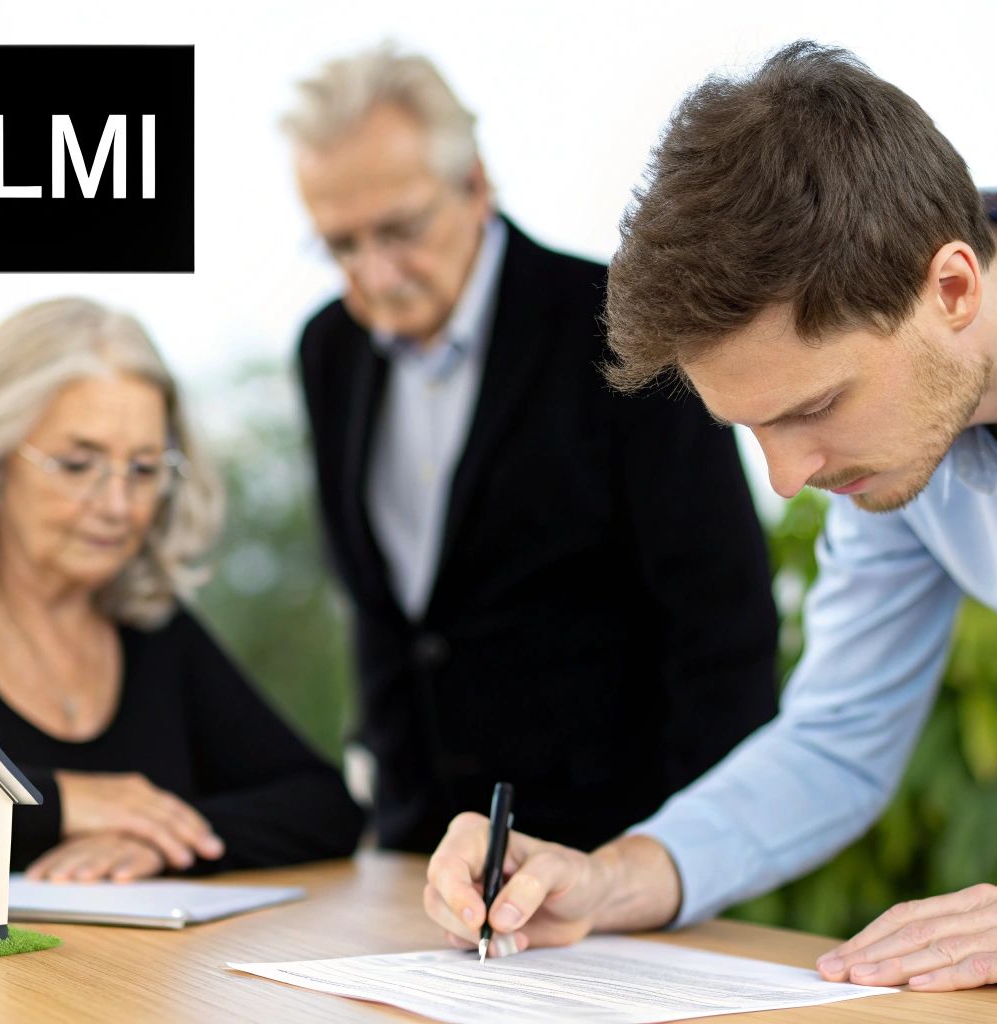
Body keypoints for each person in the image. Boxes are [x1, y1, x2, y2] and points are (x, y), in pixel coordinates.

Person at [421, 41, 997, 1011]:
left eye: (810, 408)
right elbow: (837, 737)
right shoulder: (904, 432)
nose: (788, 478)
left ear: (949, 289)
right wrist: (610, 878)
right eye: (752, 430)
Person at [281, 44, 779, 855]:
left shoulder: (619, 324)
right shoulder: (327, 350)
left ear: (475, 184)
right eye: (341, 244)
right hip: (418, 852)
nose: (375, 271)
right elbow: (389, 619)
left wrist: (688, 859)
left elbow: (722, 623)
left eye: (399, 230)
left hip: (613, 854)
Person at [0, 297, 363, 882]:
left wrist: (164, 842)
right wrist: (57, 803)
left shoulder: (153, 632)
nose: (117, 506)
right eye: (77, 464)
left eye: (142, 469)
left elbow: (324, 806)